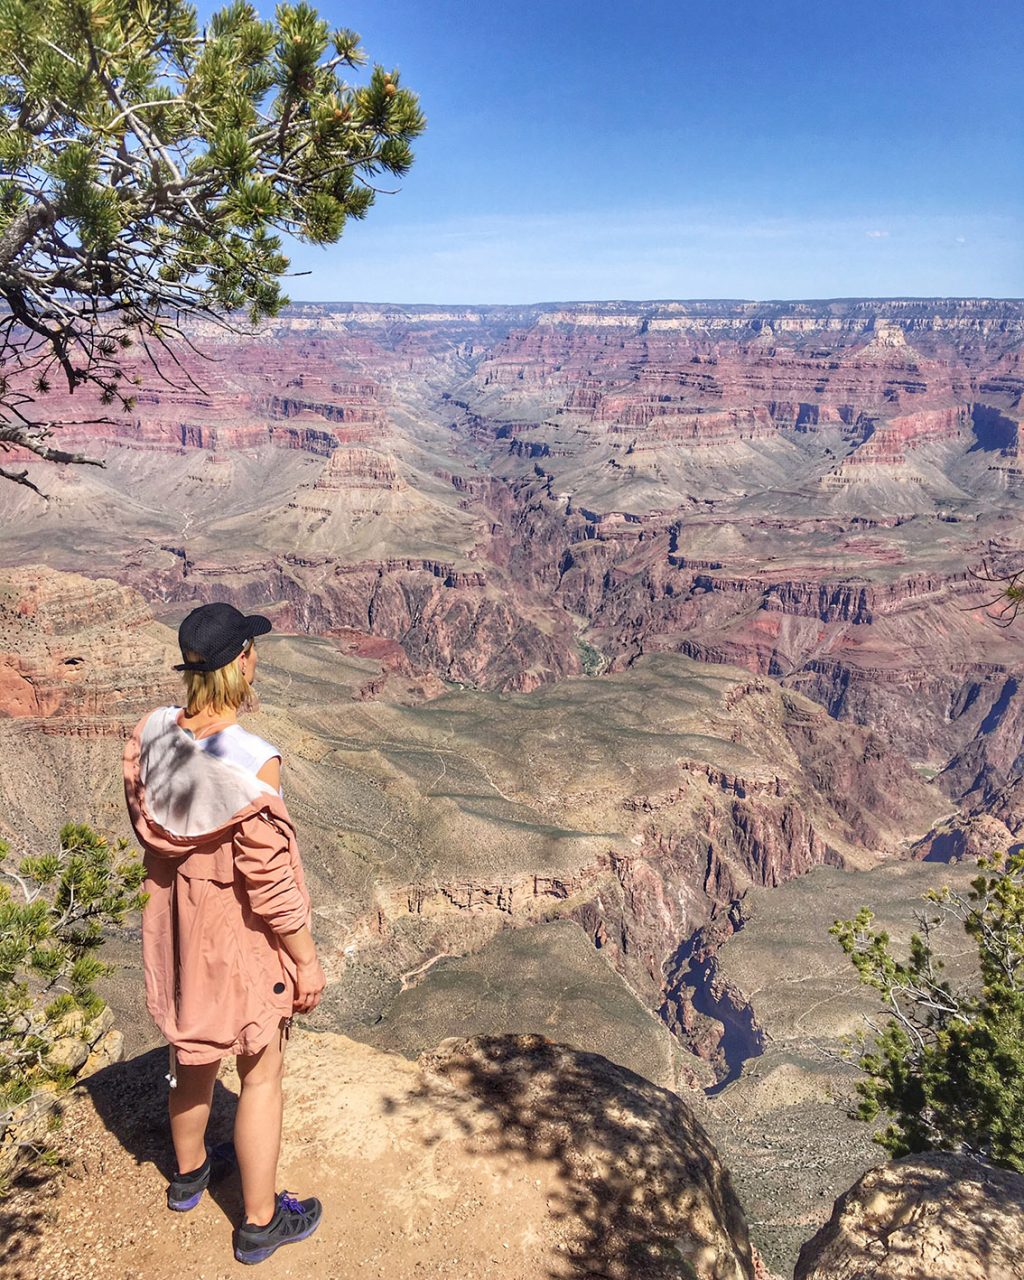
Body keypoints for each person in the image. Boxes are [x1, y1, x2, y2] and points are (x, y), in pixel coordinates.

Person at [123, 601, 326, 1265]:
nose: (256, 659)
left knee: (192, 1054)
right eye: (251, 651)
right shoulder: (252, 761)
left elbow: (143, 814)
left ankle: (188, 1178)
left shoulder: (151, 732)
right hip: (235, 938)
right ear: (240, 662)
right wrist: (306, 960)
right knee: (261, 1072)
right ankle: (262, 1222)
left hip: (175, 930)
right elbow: (268, 884)